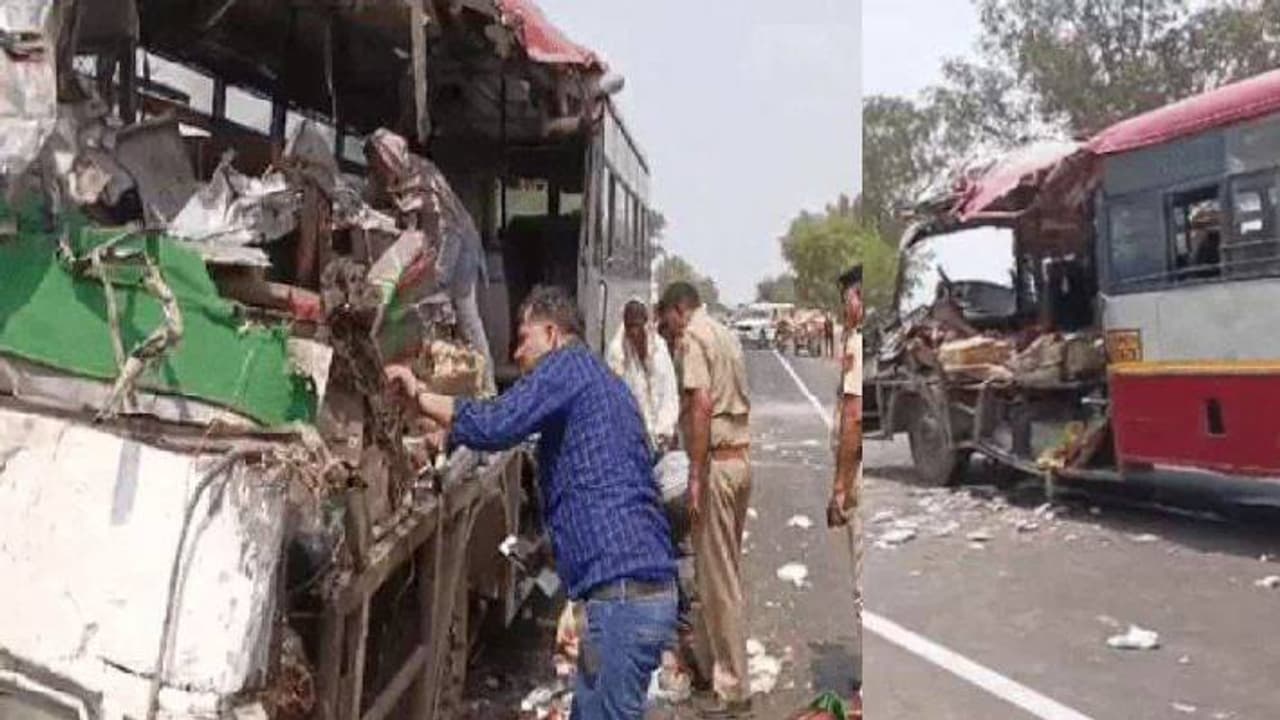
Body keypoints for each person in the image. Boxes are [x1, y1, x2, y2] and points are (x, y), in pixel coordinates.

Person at [385, 285, 677, 720]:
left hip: (621, 598)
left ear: (552, 334)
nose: (516, 353)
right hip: (633, 593)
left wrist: (419, 397)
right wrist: (547, 553)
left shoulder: (567, 367)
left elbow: (497, 424)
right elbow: (595, 484)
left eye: (524, 339)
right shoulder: (602, 384)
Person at [659, 282, 753, 718]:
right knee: (724, 574)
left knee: (717, 584)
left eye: (668, 319)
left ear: (680, 309)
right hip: (740, 460)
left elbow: (700, 402)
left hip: (716, 465)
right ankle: (715, 664)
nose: (669, 329)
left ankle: (733, 688)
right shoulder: (726, 333)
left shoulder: (694, 337)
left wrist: (695, 475)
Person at [365, 129, 495, 394]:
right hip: (440, 242)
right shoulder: (399, 177)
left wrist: (428, 276)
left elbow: (439, 231)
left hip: (457, 242)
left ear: (389, 158)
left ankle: (488, 390)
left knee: (466, 317)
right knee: (423, 306)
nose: (376, 170)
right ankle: (437, 381)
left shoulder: (421, 178)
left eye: (378, 164)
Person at [827, 265, 864, 715]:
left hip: (859, 474)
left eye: (847, 298)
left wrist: (839, 486)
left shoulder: (857, 343)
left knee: (863, 584)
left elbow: (853, 417)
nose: (844, 307)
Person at [607, 299, 680, 453]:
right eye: (630, 326)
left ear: (645, 324)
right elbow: (614, 397)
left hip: (662, 437)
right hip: (631, 437)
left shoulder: (659, 349)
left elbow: (669, 392)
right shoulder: (617, 353)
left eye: (637, 326)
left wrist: (664, 430)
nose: (634, 332)